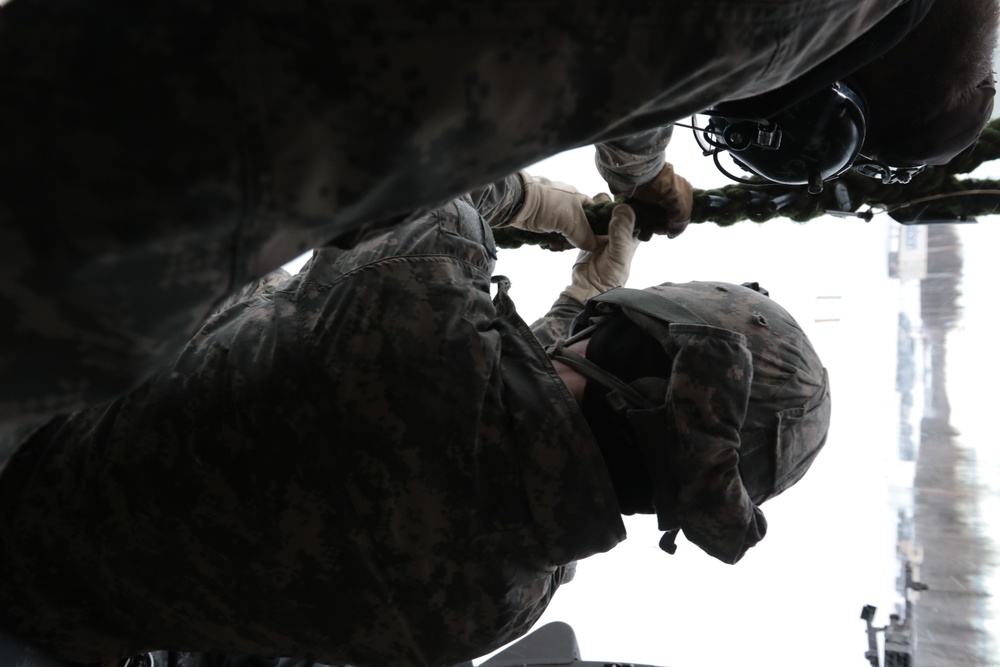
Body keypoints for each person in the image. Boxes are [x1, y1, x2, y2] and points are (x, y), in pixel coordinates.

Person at [0, 172, 830, 667]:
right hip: (49, 618)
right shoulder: (505, 600)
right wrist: (583, 295)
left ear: (621, 332)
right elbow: (510, 435)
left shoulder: (417, 295)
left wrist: (552, 205)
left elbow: (433, 169)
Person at [0, 0, 905, 431]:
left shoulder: (416, 315)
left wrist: (571, 205)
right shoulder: (500, 598)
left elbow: (441, 231)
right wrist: (614, 206)